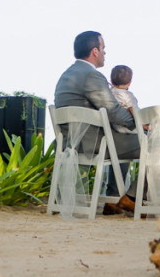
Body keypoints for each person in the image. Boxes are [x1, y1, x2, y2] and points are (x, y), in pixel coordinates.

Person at [54, 31, 139, 215]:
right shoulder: (91, 76)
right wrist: (139, 124)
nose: (105, 53)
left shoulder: (66, 74)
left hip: (73, 141)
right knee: (154, 143)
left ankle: (113, 200)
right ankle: (131, 198)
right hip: (94, 143)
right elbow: (113, 112)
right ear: (94, 51)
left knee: (124, 138)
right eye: (103, 49)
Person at [109, 65, 140, 134]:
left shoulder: (109, 93)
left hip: (113, 129)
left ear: (111, 82)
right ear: (129, 83)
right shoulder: (128, 95)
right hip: (129, 130)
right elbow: (135, 112)